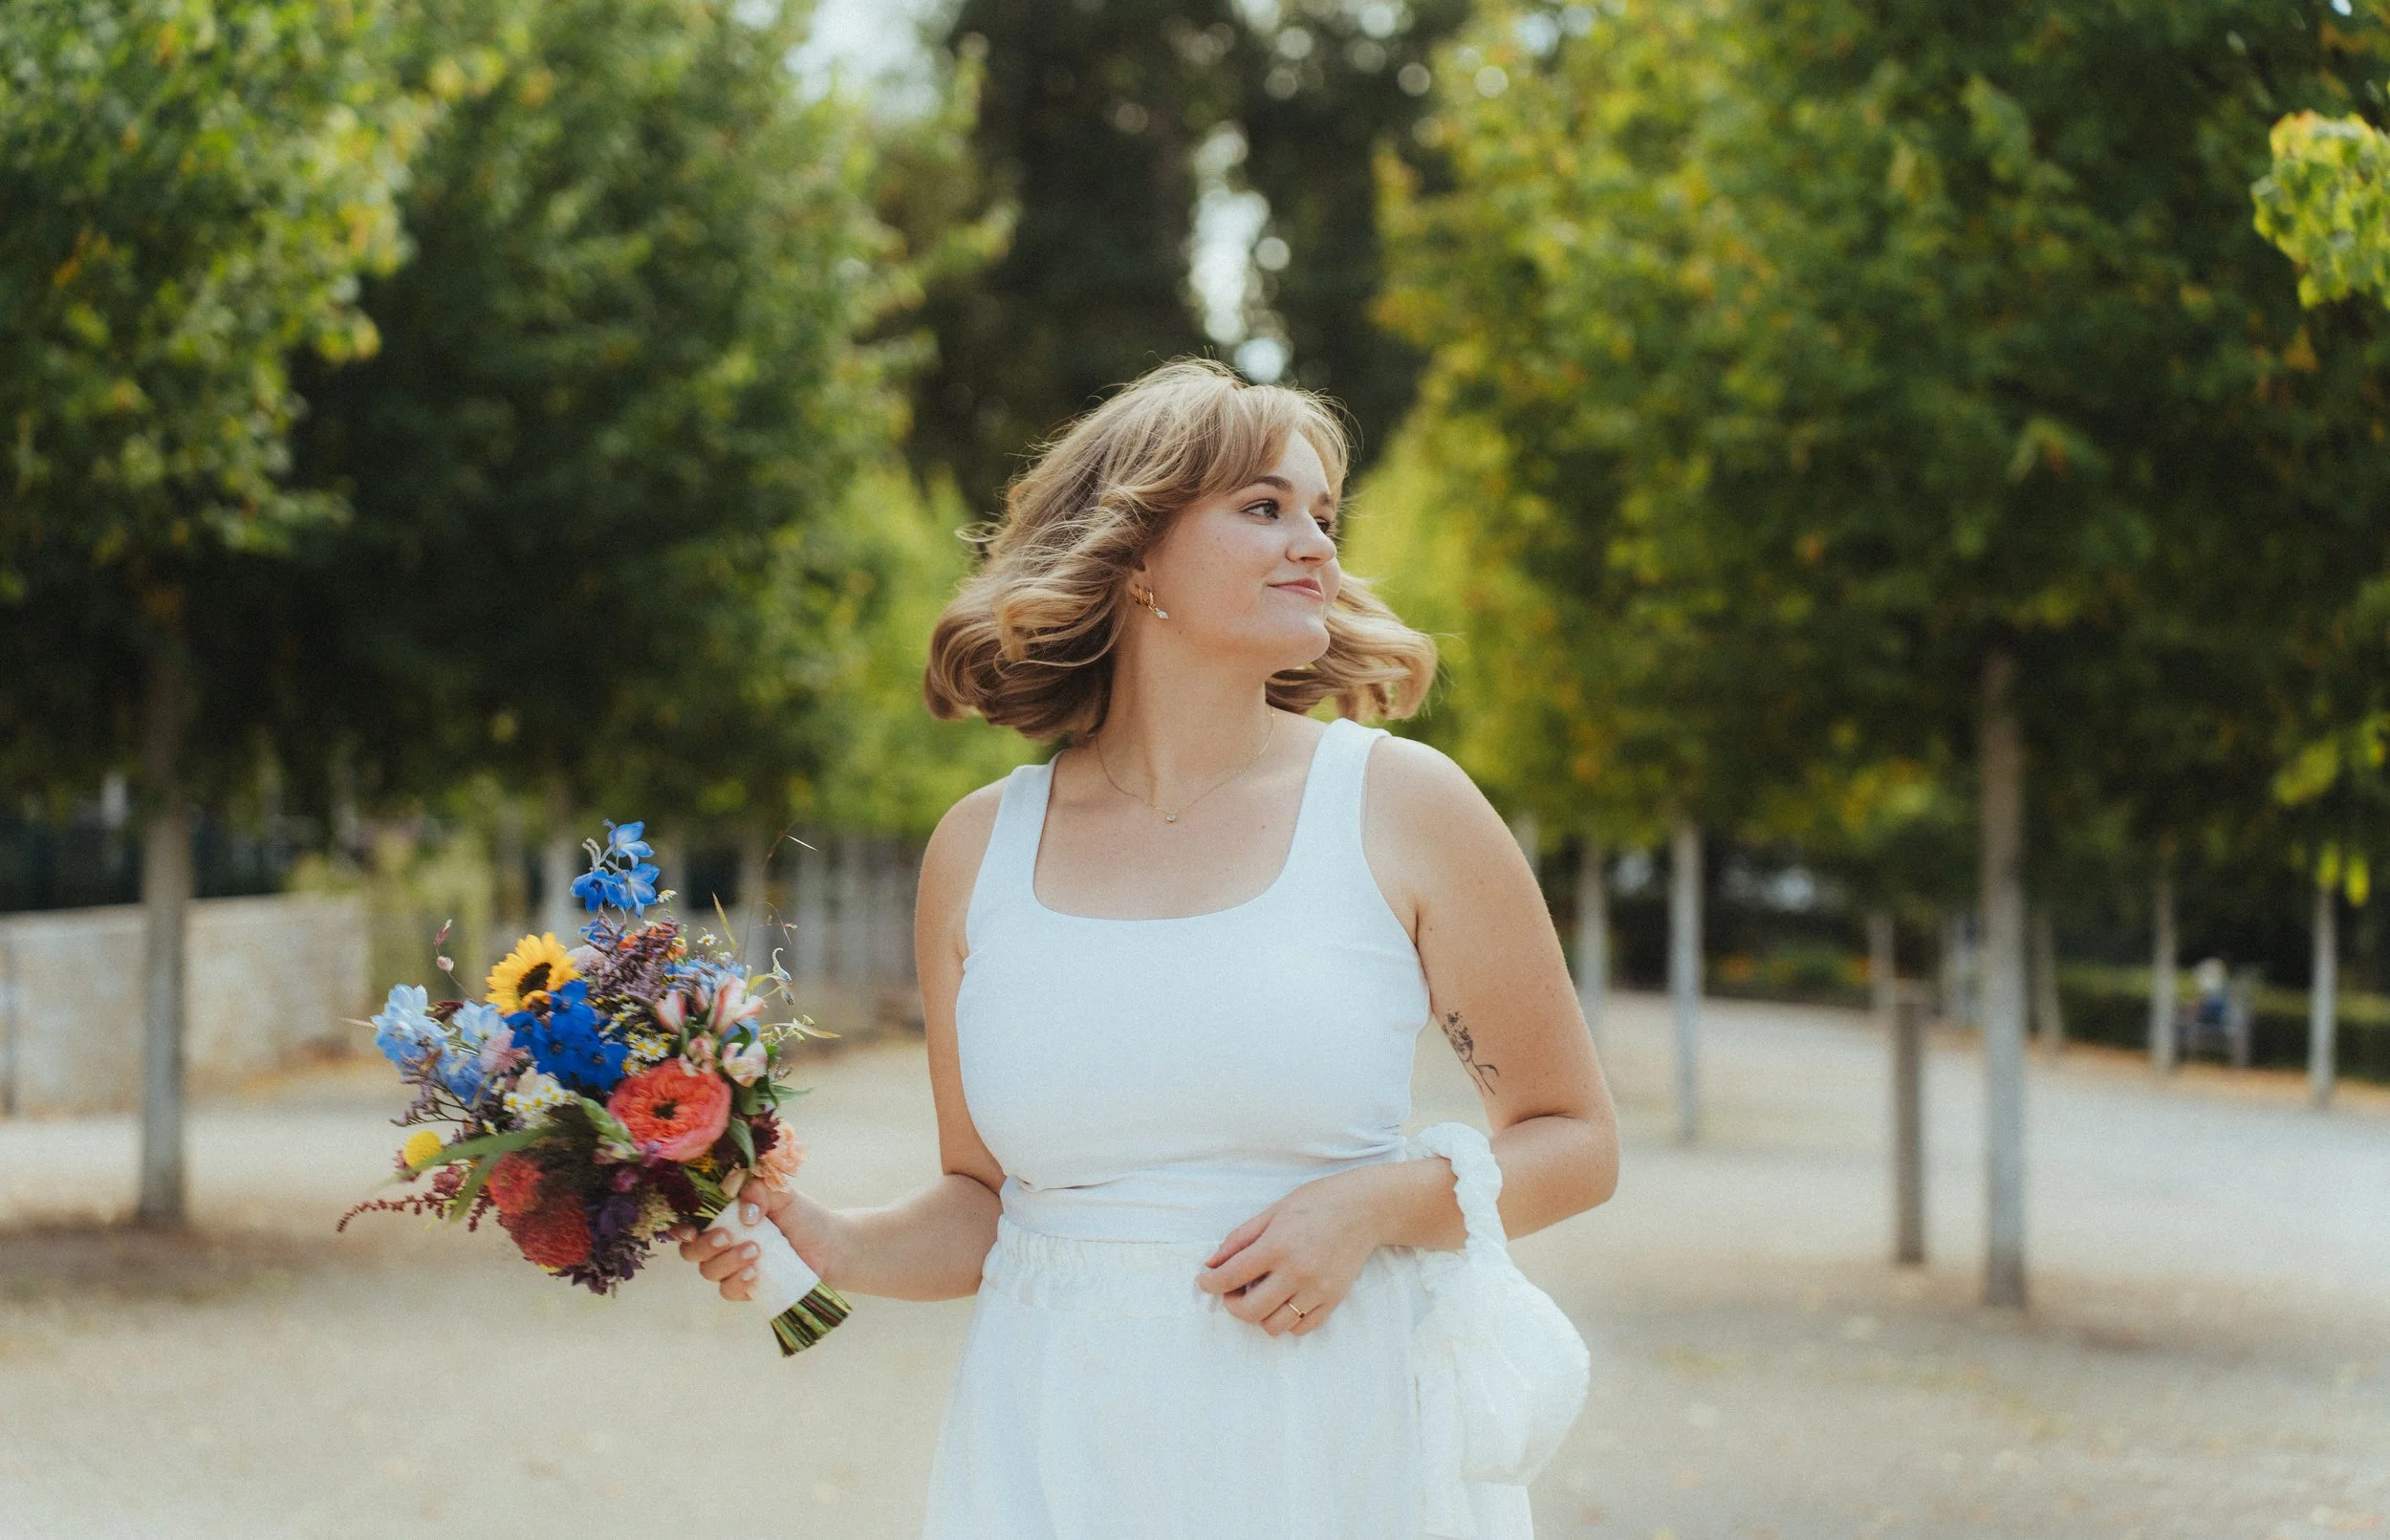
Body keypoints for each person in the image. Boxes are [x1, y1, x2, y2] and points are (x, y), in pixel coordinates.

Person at [673, 358, 1619, 1538]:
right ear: (1132, 559)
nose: (1316, 546)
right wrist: (835, 1240)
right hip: (1053, 1445)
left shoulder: (1401, 804)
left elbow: (1574, 1141)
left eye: (1323, 516)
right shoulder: (978, 849)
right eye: (1264, 507)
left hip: (1330, 1446)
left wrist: (1377, 1207)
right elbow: (983, 1204)